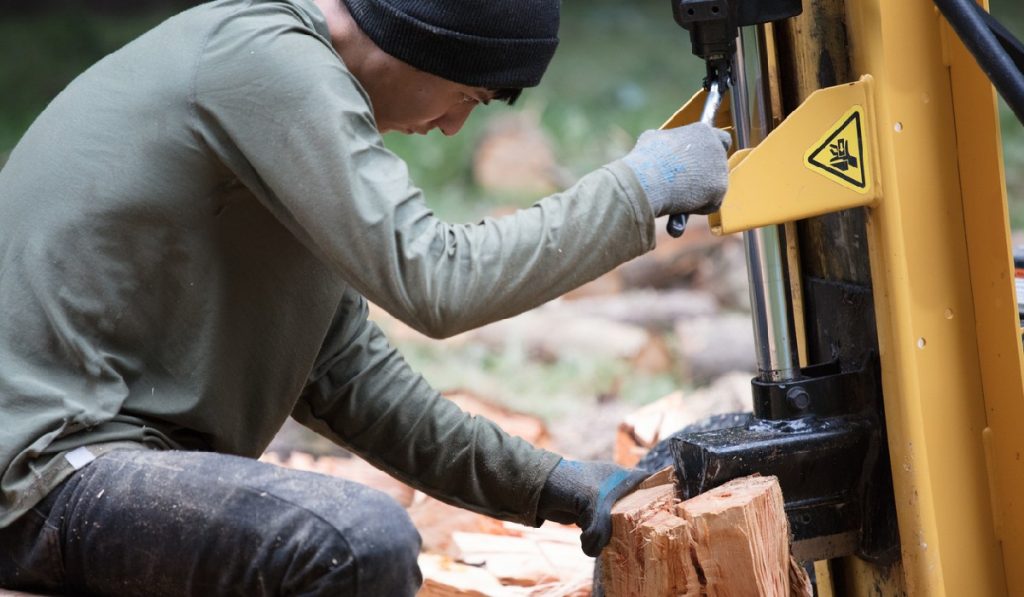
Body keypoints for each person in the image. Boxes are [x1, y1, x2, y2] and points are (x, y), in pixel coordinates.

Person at [0, 0, 731, 594]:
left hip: (96, 476)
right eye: (468, 95)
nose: (452, 125)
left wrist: (555, 484)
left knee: (353, 536)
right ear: (423, 37)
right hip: (47, 476)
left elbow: (350, 379)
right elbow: (438, 281)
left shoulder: (278, 103)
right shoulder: (265, 59)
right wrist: (639, 189)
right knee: (355, 545)